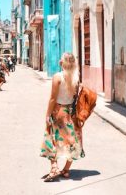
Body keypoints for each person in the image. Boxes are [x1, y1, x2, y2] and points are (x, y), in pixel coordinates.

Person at [39, 53, 84, 182]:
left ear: (61, 63)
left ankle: (54, 167)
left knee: (51, 137)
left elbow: (53, 99)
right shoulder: (76, 79)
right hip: (71, 112)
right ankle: (66, 170)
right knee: (72, 141)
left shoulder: (57, 77)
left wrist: (48, 114)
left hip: (58, 111)